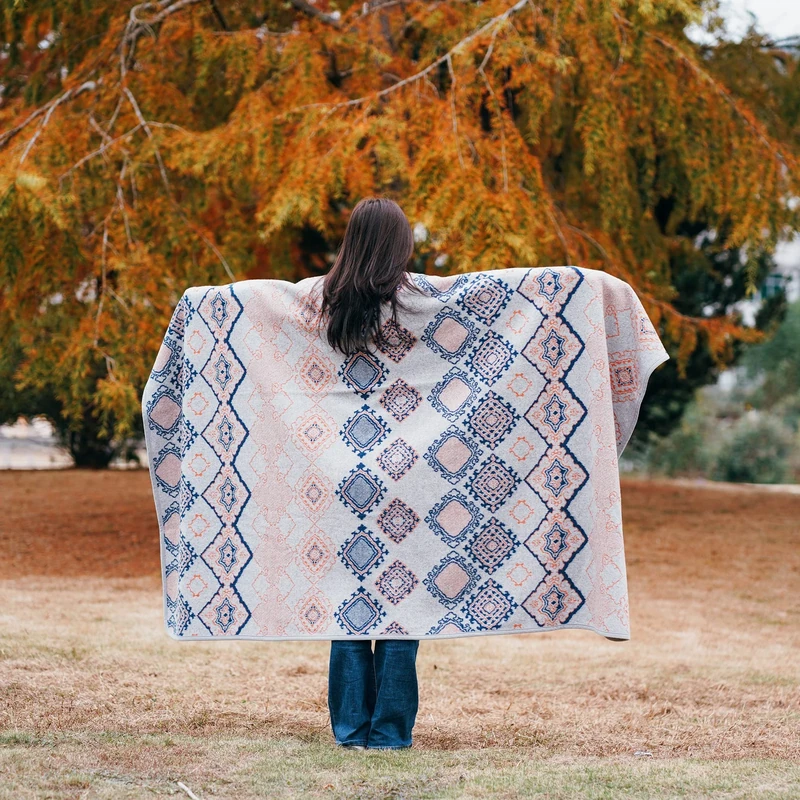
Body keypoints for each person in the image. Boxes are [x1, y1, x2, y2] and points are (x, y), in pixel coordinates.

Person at [316, 197, 428, 751]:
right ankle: (389, 733)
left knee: (351, 601)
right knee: (401, 606)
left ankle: (349, 730)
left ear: (352, 239)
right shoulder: (425, 302)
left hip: (341, 472)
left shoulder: (319, 301)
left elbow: (242, 307)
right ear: (401, 244)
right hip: (409, 472)